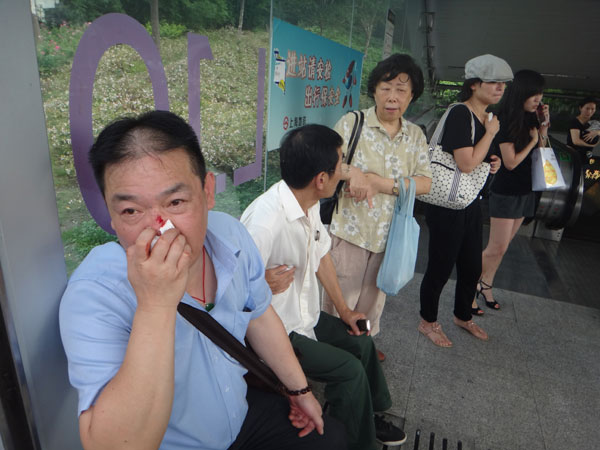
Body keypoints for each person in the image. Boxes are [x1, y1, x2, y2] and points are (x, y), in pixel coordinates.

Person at [59, 110, 347, 450]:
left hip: (242, 416)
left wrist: (299, 390)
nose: (159, 229)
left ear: (207, 191)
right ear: (110, 214)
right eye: (131, 212)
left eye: (176, 201)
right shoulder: (93, 295)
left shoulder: (231, 236)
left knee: (332, 437)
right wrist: (155, 306)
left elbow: (258, 314)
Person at [241, 124, 406, 450]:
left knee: (362, 340)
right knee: (349, 371)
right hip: (279, 332)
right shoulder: (264, 222)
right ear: (321, 179)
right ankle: (352, 441)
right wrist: (259, 284)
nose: (345, 171)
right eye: (341, 164)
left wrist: (344, 310)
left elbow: (320, 256)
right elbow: (234, 293)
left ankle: (369, 414)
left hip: (306, 317)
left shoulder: (308, 200)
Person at [322, 53, 433, 361]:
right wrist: (352, 172)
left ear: (412, 97)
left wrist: (378, 182)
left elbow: (426, 182)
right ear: (374, 90)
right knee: (339, 298)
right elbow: (328, 164)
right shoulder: (352, 123)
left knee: (374, 298)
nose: (392, 97)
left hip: (389, 237)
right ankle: (333, 350)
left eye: (401, 90)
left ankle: (362, 344)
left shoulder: (415, 136)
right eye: (386, 87)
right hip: (350, 232)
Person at [418, 54, 510, 347]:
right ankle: (428, 321)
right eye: (493, 82)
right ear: (473, 84)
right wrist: (491, 135)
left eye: (503, 83)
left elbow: (480, 159)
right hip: (447, 204)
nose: (500, 88)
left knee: (471, 266)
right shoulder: (461, 113)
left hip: (469, 201)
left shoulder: (486, 118)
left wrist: (492, 161)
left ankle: (461, 314)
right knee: (441, 266)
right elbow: (467, 163)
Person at [477, 70, 549, 311]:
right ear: (522, 93)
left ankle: (485, 284)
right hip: (506, 190)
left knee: (504, 246)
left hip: (526, 190)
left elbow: (542, 150)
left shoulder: (531, 118)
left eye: (540, 95)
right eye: (535, 95)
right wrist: (531, 141)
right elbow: (511, 162)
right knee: (496, 246)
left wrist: (543, 128)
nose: (538, 99)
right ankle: (469, 284)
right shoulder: (505, 119)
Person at [566, 97, 599, 162]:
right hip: (573, 155)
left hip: (587, 156)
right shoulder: (575, 122)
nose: (589, 111)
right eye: (587, 108)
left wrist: (597, 132)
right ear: (581, 108)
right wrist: (591, 145)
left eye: (592, 109)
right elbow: (576, 141)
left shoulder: (594, 122)